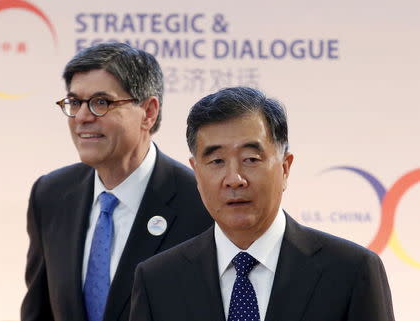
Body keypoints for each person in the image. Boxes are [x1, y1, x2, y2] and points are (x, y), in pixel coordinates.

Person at [129, 86, 395, 321]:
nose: (234, 179)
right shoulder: (158, 281)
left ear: (285, 168)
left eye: (251, 159)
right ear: (196, 173)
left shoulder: (350, 271)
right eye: (216, 161)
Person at [21, 42, 212, 321]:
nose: (83, 117)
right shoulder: (50, 195)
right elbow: (39, 312)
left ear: (148, 112)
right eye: (74, 102)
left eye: (101, 103)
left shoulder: (201, 201)